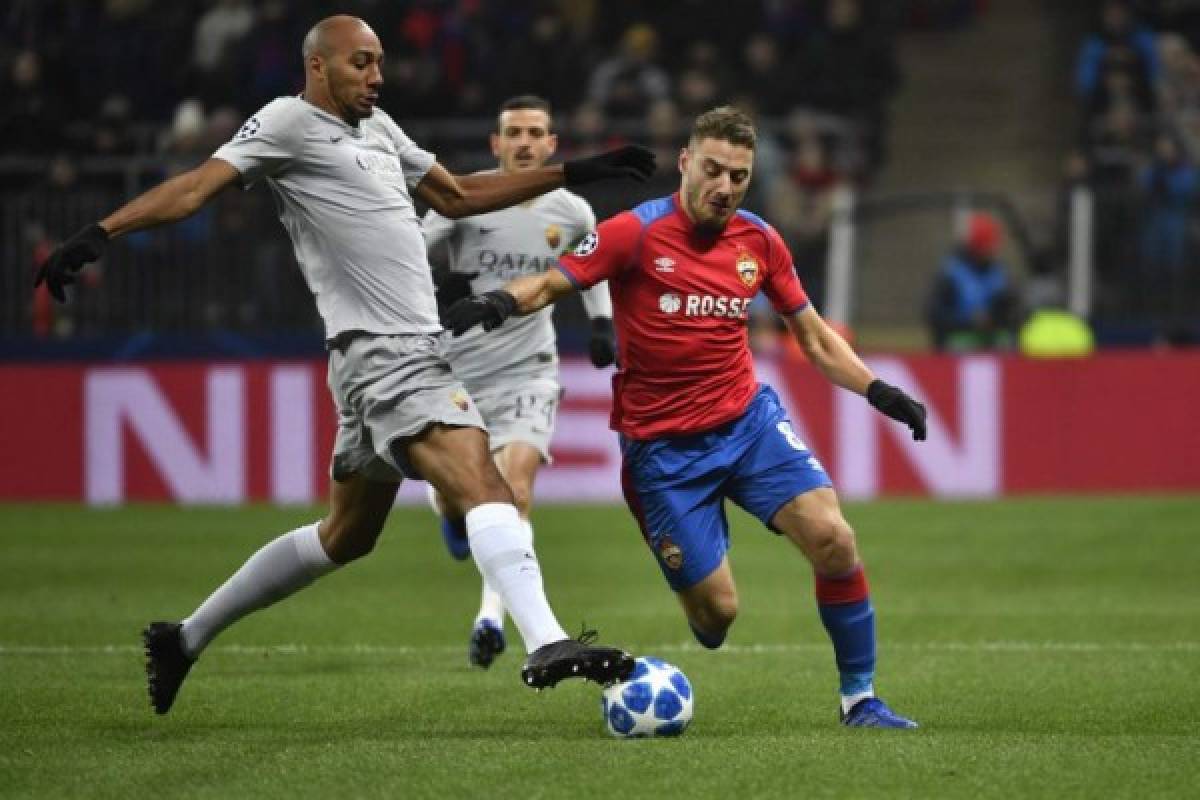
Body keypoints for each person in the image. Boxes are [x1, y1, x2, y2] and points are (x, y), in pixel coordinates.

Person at [33, 15, 656, 714]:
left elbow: (457, 196)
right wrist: (102, 230)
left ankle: (183, 637)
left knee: (346, 537)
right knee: (485, 479)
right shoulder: (287, 123)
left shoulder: (382, 129)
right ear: (318, 66)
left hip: (379, 357)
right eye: (362, 63)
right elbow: (196, 187)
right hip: (390, 353)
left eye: (380, 62)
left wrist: (580, 171)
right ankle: (545, 640)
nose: (377, 76)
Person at [445, 106, 926, 728]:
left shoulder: (759, 241)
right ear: (685, 164)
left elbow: (813, 337)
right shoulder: (634, 233)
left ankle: (860, 700)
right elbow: (549, 284)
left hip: (747, 425)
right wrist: (494, 300)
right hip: (663, 456)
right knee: (716, 618)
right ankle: (705, 552)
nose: (724, 187)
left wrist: (879, 390)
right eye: (713, 170)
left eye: (739, 177)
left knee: (835, 540)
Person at [421, 94, 616, 669]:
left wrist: (602, 322)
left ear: (553, 145)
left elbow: (595, 262)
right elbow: (408, 254)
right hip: (457, 374)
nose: (526, 142)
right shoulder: (462, 199)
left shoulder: (572, 211)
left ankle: (490, 616)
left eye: (537, 132)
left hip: (530, 370)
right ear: (496, 144)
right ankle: (452, 516)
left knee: (515, 490)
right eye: (515, 133)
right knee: (461, 500)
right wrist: (440, 288)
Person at [926, 212, 1018, 351]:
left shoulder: (998, 273)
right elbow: (935, 315)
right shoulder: (951, 273)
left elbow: (1011, 312)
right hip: (959, 338)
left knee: (1008, 343)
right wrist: (969, 321)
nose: (992, 251)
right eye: (987, 247)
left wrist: (996, 317)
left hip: (991, 338)